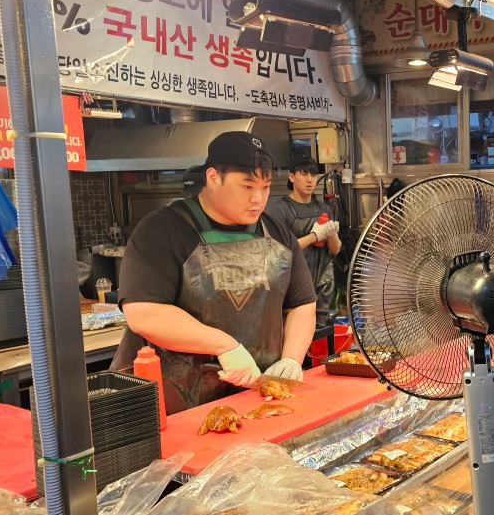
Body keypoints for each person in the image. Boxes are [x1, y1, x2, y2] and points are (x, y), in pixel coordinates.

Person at [111, 131, 317, 414]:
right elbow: (144, 313)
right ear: (213, 177)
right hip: (176, 408)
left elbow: (302, 304)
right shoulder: (163, 229)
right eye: (247, 187)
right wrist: (225, 346)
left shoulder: (278, 233)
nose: (258, 199)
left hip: (258, 400)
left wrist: (291, 360)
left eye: (266, 187)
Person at [266, 158, 341, 325]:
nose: (310, 179)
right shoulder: (280, 209)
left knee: (324, 337)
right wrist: (315, 236)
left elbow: (335, 250)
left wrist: (331, 233)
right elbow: (279, 251)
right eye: (304, 174)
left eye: (314, 175)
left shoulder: (324, 208)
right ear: (292, 177)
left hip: (323, 284)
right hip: (293, 283)